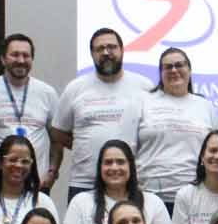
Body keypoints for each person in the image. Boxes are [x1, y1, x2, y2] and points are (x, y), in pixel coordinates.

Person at [48, 27, 151, 198]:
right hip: (84, 182)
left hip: (132, 182)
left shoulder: (144, 87)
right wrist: (83, 144)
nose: (106, 52)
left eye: (111, 47)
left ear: (122, 50)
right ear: (92, 54)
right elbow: (58, 132)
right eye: (99, 49)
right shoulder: (76, 88)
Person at [62, 140, 175, 224]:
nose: (114, 167)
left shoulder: (153, 202)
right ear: (100, 167)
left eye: (120, 162)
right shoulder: (81, 202)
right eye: (108, 162)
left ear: (131, 167)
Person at [135, 46, 218, 207]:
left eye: (179, 65)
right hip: (150, 198)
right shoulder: (143, 101)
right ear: (160, 73)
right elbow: (127, 149)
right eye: (168, 67)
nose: (174, 70)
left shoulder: (206, 106)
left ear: (189, 70)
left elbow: (217, 151)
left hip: (196, 197)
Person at [0, 34, 60, 192]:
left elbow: (57, 140)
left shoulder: (47, 92)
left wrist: (52, 173)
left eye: (26, 55)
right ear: (3, 59)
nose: (20, 60)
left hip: (37, 183)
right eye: (15, 55)